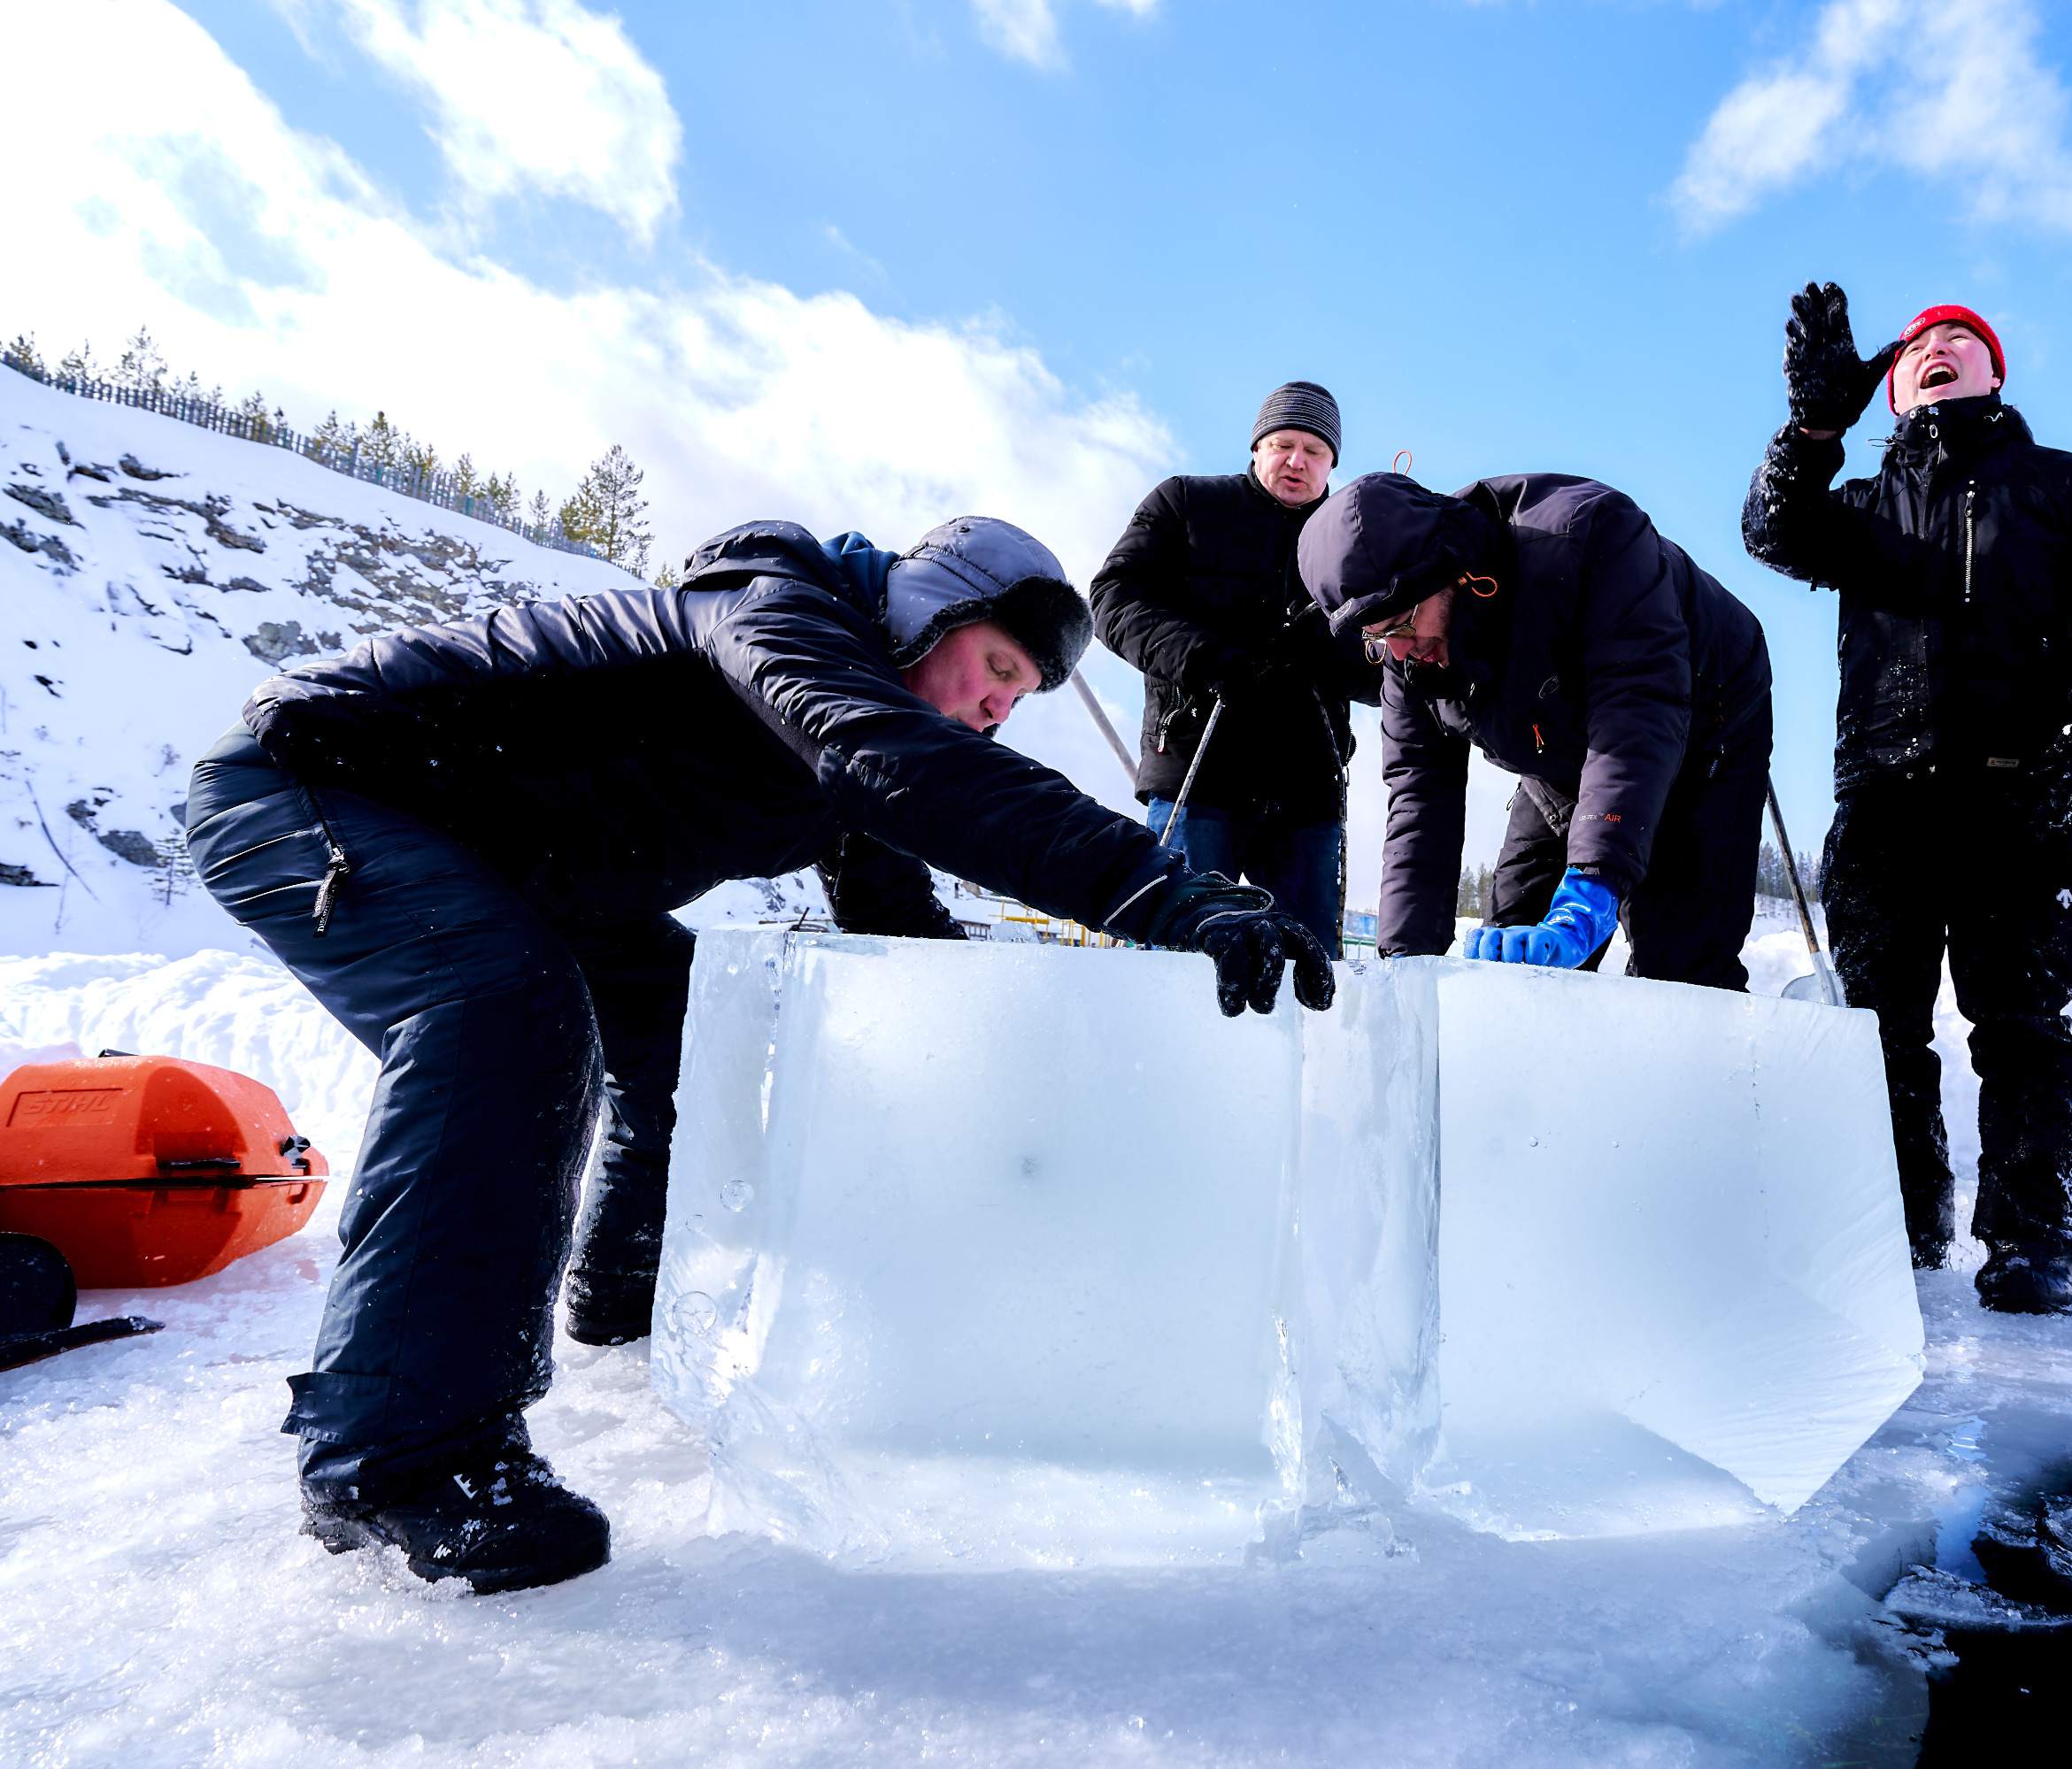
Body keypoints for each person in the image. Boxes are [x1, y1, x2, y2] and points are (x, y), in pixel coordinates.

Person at [186, 515, 1336, 1595]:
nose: (993, 707)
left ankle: (623, 1286)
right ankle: (394, 1456)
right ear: (933, 610)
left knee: (670, 1021)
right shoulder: (772, 612)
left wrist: (1052, 1078)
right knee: (500, 1010)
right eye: (993, 668)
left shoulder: (844, 758)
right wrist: (1164, 892)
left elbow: (908, 936)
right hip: (323, 779)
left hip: (515, 862)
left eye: (1016, 698)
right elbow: (890, 759)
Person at [1742, 285, 2072, 1314]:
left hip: (2019, 796)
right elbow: (1769, 530)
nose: (1937, 350)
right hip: (1884, 799)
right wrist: (1809, 430)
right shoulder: (1853, 507)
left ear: (1994, 373)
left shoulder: (2068, 488)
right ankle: (1902, 1214)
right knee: (1879, 1029)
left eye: (1960, 341)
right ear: (1890, 390)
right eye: (1918, 348)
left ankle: (2032, 1230)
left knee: (2022, 1021)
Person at [1298, 471, 1775, 989]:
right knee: (1511, 967)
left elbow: (1635, 710)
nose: (1398, 649)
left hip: (1706, 733)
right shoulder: (1406, 653)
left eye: (1404, 624)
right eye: (1377, 636)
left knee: (1679, 968)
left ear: (1449, 569)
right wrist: (1406, 963)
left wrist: (1594, 878)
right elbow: (1420, 794)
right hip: (1556, 760)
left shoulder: (1590, 534)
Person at [1090, 381, 1383, 954]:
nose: (1297, 461)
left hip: (1306, 791)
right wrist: (1209, 659)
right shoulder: (1184, 504)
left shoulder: (1358, 546)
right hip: (1198, 772)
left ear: (1332, 464)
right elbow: (1114, 598)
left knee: (1313, 966)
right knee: (1182, 957)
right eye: (1283, 444)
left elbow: (1387, 664)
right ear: (1257, 447)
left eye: (1315, 451)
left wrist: (1327, 648)